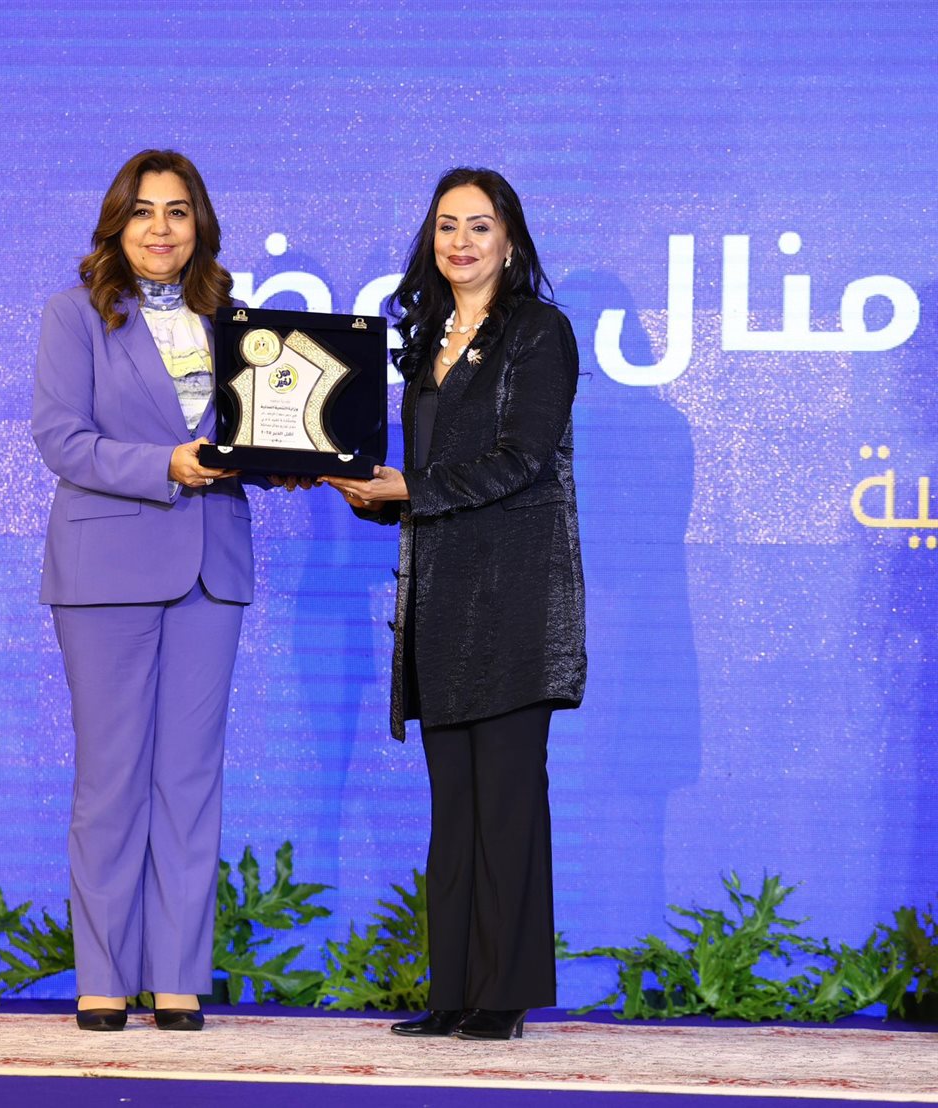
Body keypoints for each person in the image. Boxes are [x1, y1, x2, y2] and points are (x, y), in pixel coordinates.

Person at [324, 167, 586, 1041]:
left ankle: (503, 995)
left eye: (479, 225)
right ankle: (453, 991)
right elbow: (430, 478)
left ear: (510, 241)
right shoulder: (424, 339)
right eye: (447, 225)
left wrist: (411, 488)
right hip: (439, 602)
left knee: (507, 805)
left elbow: (523, 460)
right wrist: (376, 494)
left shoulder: (539, 331)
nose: (461, 242)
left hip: (514, 600)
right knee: (454, 811)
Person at [32, 149, 250, 1033]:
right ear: (116, 224)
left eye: (178, 211)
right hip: (106, 571)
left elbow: (250, 437)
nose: (161, 227)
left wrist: (291, 461)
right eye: (144, 211)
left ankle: (177, 977)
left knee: (190, 778)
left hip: (211, 567)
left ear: (201, 225)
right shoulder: (74, 315)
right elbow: (61, 438)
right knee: (111, 777)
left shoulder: (234, 320)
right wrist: (163, 464)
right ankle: (104, 977)